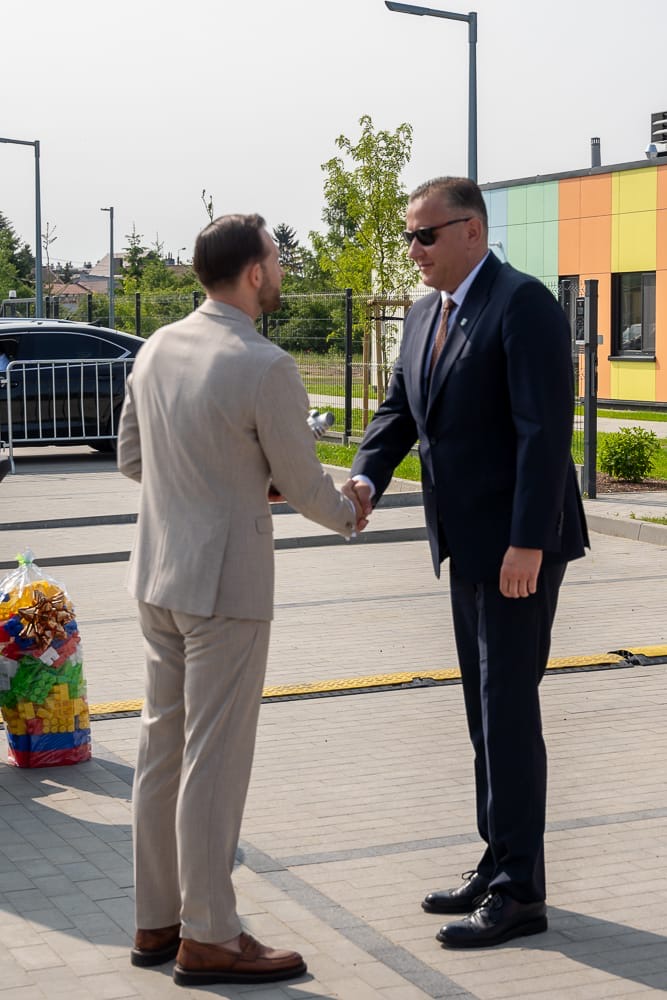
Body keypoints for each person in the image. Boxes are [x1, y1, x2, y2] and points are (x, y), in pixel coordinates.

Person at [117, 213, 367, 987]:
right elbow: (302, 484)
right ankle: (211, 936)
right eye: (277, 259)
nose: (281, 270)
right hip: (225, 586)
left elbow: (133, 459)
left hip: (156, 575)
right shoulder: (264, 364)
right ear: (254, 273)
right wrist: (350, 508)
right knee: (213, 764)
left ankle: (156, 921)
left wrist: (222, 479)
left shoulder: (155, 347)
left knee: (161, 752)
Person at [346, 177, 588, 949]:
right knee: (484, 714)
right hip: (464, 543)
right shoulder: (426, 314)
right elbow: (398, 409)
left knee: (507, 711)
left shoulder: (521, 304)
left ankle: (520, 894)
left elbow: (543, 432)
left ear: (471, 231)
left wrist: (527, 541)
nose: (413, 249)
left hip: (518, 547)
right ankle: (498, 857)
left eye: (425, 235)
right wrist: (364, 479)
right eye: (409, 236)